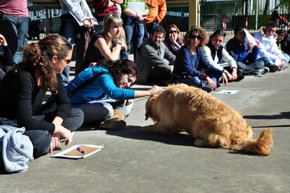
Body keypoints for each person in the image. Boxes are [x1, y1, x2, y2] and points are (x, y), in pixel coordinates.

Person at [0, 35, 84, 158]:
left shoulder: (53, 73)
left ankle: (49, 135)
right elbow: (25, 120)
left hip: (31, 117)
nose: (68, 65)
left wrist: (55, 127)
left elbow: (65, 103)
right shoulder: (24, 76)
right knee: (42, 140)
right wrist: (56, 129)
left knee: (77, 114)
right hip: (10, 122)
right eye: (67, 61)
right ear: (54, 59)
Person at [66, 59, 163, 130]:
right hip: (70, 107)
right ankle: (109, 119)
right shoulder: (103, 75)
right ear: (120, 71)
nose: (128, 85)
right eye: (128, 80)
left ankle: (111, 120)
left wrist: (126, 96)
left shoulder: (110, 76)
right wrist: (148, 92)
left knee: (129, 101)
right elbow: (114, 93)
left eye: (131, 83)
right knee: (107, 109)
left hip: (85, 105)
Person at [172, 26, 227, 92]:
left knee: (218, 75)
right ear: (189, 37)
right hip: (180, 79)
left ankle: (207, 86)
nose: (195, 39)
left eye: (198, 37)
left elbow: (206, 64)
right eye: (193, 37)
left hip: (192, 77)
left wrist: (221, 72)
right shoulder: (184, 51)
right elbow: (190, 70)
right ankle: (209, 86)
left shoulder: (198, 49)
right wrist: (206, 77)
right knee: (196, 80)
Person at [58, 0, 95, 83]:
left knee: (81, 52)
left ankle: (79, 80)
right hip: (69, 20)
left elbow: (84, 4)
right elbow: (71, 7)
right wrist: (83, 18)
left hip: (81, 23)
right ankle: (64, 82)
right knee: (66, 50)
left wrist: (90, 17)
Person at [0, 0, 29, 64]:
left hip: (24, 15)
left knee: (22, 46)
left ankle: (18, 67)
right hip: (7, 14)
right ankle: (13, 68)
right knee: (12, 45)